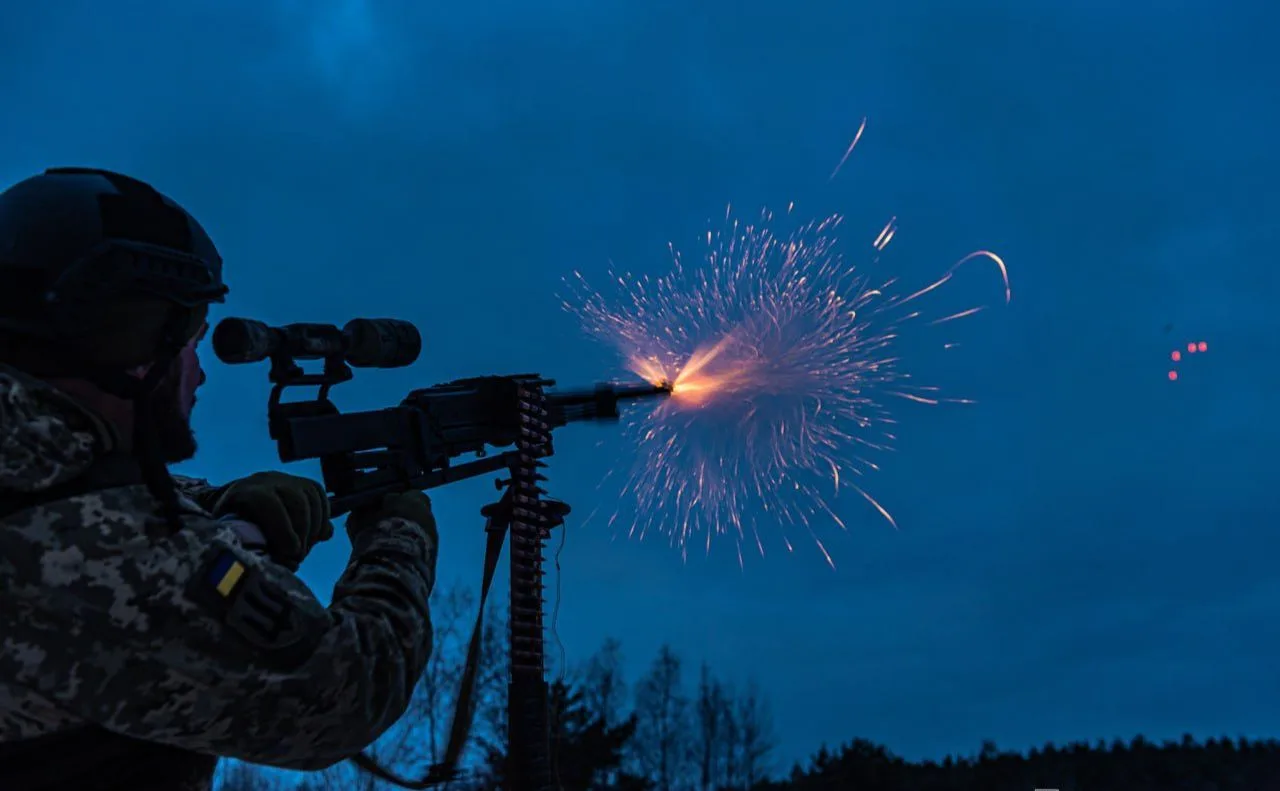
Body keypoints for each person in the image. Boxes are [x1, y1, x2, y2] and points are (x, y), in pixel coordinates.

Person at [0, 168, 439, 790]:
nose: (200, 375)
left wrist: (219, 504)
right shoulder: (94, 553)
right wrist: (400, 537)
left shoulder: (33, 472)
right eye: (191, 345)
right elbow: (346, 690)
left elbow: (76, 489)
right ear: (135, 343)